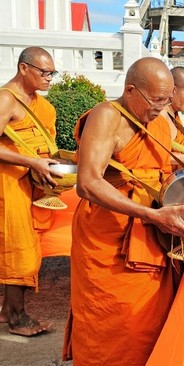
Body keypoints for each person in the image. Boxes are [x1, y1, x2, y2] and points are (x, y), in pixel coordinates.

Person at [62, 57, 184, 365]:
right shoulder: (106, 116)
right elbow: (87, 182)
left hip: (149, 235)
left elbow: (149, 164)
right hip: (108, 236)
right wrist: (149, 215)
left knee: (147, 321)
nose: (162, 107)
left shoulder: (158, 120)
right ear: (132, 90)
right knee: (111, 320)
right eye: (157, 100)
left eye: (167, 99)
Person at [0, 47, 62, 337]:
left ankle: (6, 310)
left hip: (30, 183)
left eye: (52, 73)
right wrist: (29, 161)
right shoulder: (5, 99)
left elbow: (44, 145)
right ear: (24, 69)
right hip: (7, 185)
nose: (50, 78)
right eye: (44, 72)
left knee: (29, 246)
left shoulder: (43, 106)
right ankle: (16, 316)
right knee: (19, 251)